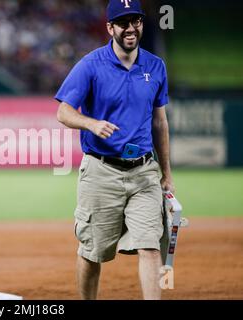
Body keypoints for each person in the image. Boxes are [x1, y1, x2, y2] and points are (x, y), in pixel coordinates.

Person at [55, 0, 174, 300]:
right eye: (123, 22)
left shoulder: (155, 66)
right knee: (93, 252)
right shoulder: (90, 65)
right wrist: (91, 124)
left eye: (136, 20)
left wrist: (166, 174)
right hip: (101, 171)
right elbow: (64, 112)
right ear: (110, 28)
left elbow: (160, 122)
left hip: (144, 171)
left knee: (149, 245)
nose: (131, 27)